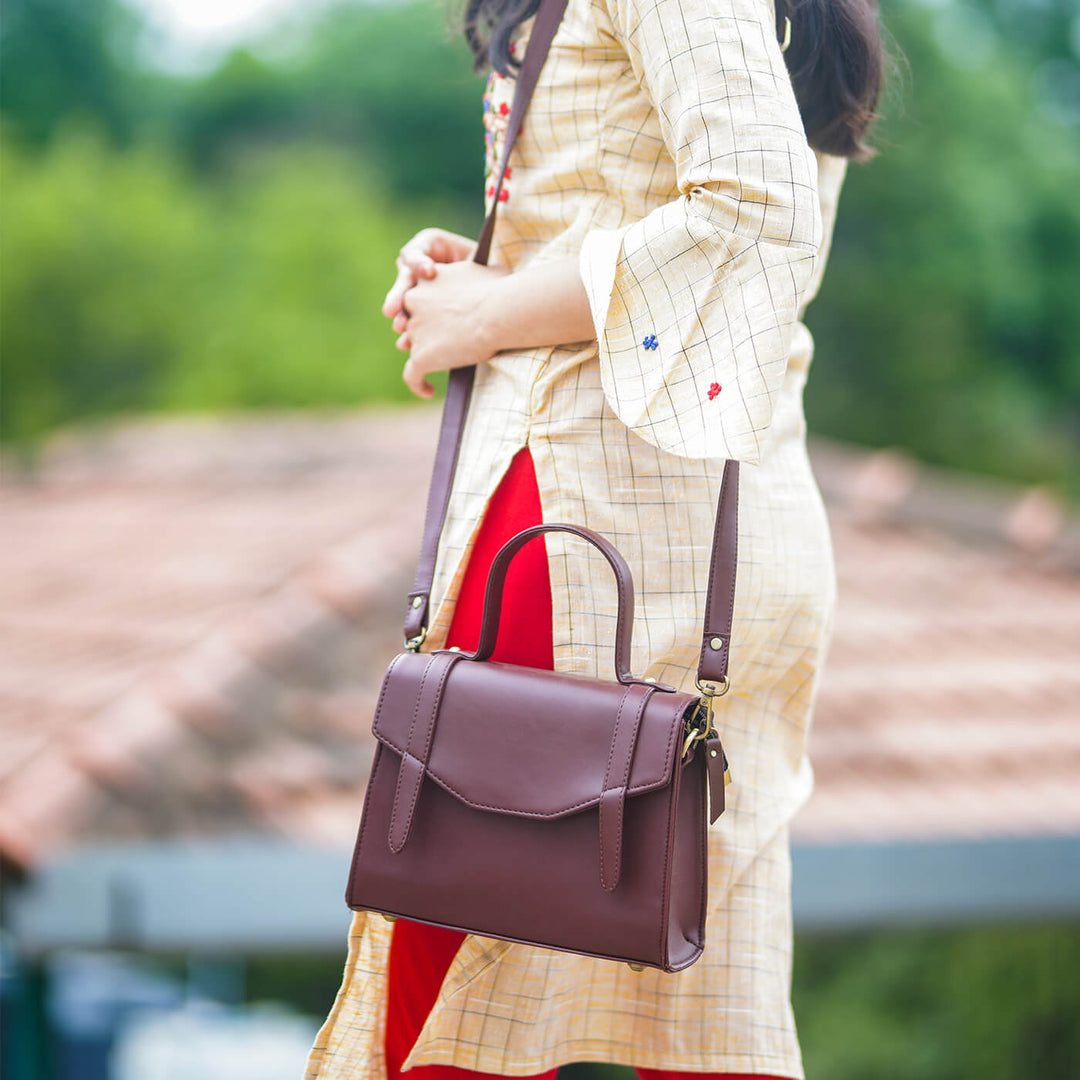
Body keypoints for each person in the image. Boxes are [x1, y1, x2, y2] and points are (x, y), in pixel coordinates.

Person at [306, 1, 885, 1078]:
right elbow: (669, 190)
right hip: (697, 526)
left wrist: (489, 314)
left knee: (450, 989)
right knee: (708, 1012)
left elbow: (757, 205)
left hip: (591, 526)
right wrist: (497, 265)